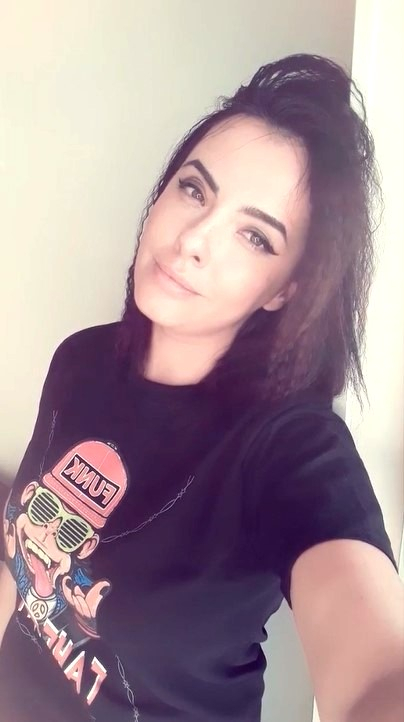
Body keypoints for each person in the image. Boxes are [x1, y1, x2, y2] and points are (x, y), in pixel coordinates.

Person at [0, 53, 403, 722]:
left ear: (285, 290)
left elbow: (377, 674)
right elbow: (20, 555)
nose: (194, 239)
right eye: (194, 189)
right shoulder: (81, 360)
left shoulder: (291, 449)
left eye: (255, 236)